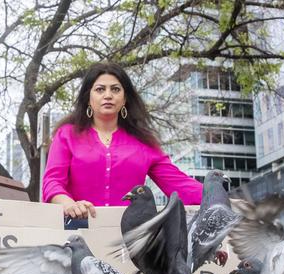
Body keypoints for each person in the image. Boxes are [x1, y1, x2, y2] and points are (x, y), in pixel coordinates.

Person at [42, 62, 203, 219]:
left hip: (130, 236)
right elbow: (52, 182)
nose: (108, 95)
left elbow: (179, 185)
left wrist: (218, 195)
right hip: (76, 230)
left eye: (115, 89)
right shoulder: (67, 135)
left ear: (125, 98)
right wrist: (69, 204)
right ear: (88, 98)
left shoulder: (143, 142)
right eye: (100, 89)